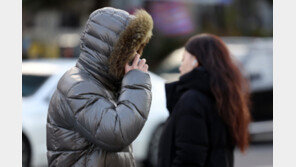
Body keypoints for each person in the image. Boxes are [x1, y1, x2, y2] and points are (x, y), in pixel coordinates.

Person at [46, 7, 153, 167]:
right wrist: (136, 82)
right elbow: (116, 133)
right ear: (111, 51)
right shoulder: (77, 86)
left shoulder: (104, 85)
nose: (136, 56)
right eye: (130, 51)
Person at [157, 34, 251, 167]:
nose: (180, 67)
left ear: (195, 61)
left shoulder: (192, 100)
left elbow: (189, 159)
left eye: (184, 59)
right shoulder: (222, 96)